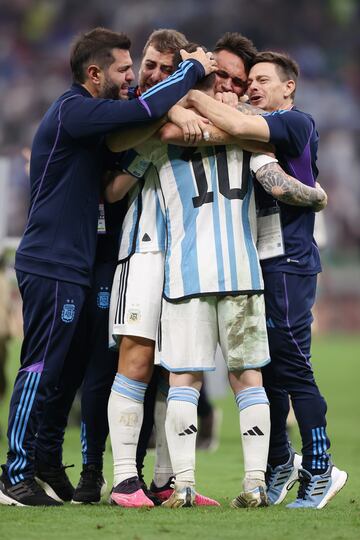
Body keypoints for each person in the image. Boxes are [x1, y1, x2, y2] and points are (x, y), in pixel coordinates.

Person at [0, 27, 215, 508]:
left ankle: (42, 462)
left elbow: (138, 121)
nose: (128, 77)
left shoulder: (85, 117)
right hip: (53, 261)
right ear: (94, 73)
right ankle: (13, 473)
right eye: (123, 68)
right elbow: (141, 111)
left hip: (71, 263)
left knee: (65, 369)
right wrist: (193, 70)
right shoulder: (75, 109)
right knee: (40, 366)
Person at [110, 50, 327, 508]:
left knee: (183, 380)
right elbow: (276, 183)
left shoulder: (165, 137)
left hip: (185, 274)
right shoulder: (245, 140)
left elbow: (136, 153)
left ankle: (183, 484)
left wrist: (179, 108)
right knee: (249, 379)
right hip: (243, 272)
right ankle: (254, 484)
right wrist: (316, 196)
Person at [185, 51, 348, 509]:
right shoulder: (261, 128)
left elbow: (237, 126)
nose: (252, 87)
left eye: (262, 79)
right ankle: (281, 464)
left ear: (288, 87)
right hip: (258, 263)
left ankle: (320, 467)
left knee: (293, 367)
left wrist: (193, 96)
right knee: (269, 372)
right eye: (248, 80)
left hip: (289, 264)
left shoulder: (297, 124)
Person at [107, 30, 218, 508]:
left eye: (161, 69)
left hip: (188, 256)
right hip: (143, 249)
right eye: (147, 65)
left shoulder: (194, 110)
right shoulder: (131, 113)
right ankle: (123, 480)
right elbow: (110, 190)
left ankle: (167, 481)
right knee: (135, 360)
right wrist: (166, 118)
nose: (149, 75)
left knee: (178, 368)